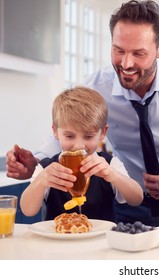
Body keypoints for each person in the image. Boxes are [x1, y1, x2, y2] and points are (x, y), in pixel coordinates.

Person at [6, 0, 159, 226]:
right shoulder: (95, 86)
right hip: (126, 202)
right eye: (118, 50)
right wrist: (35, 163)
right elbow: (68, 131)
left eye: (139, 53)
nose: (126, 63)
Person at [20, 87, 143, 222]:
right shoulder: (47, 168)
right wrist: (41, 180)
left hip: (102, 241)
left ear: (103, 132)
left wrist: (112, 175)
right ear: (55, 131)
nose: (78, 145)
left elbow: (136, 199)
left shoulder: (109, 164)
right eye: (70, 136)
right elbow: (28, 210)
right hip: (58, 241)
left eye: (88, 136)